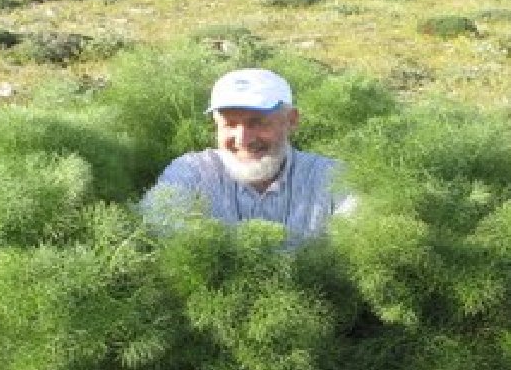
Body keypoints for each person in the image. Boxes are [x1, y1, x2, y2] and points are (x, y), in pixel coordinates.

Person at [141, 68, 355, 243]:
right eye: (230, 124)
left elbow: (356, 243)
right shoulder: (191, 172)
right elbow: (155, 231)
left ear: (291, 120)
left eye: (257, 123)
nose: (243, 139)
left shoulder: (332, 177)